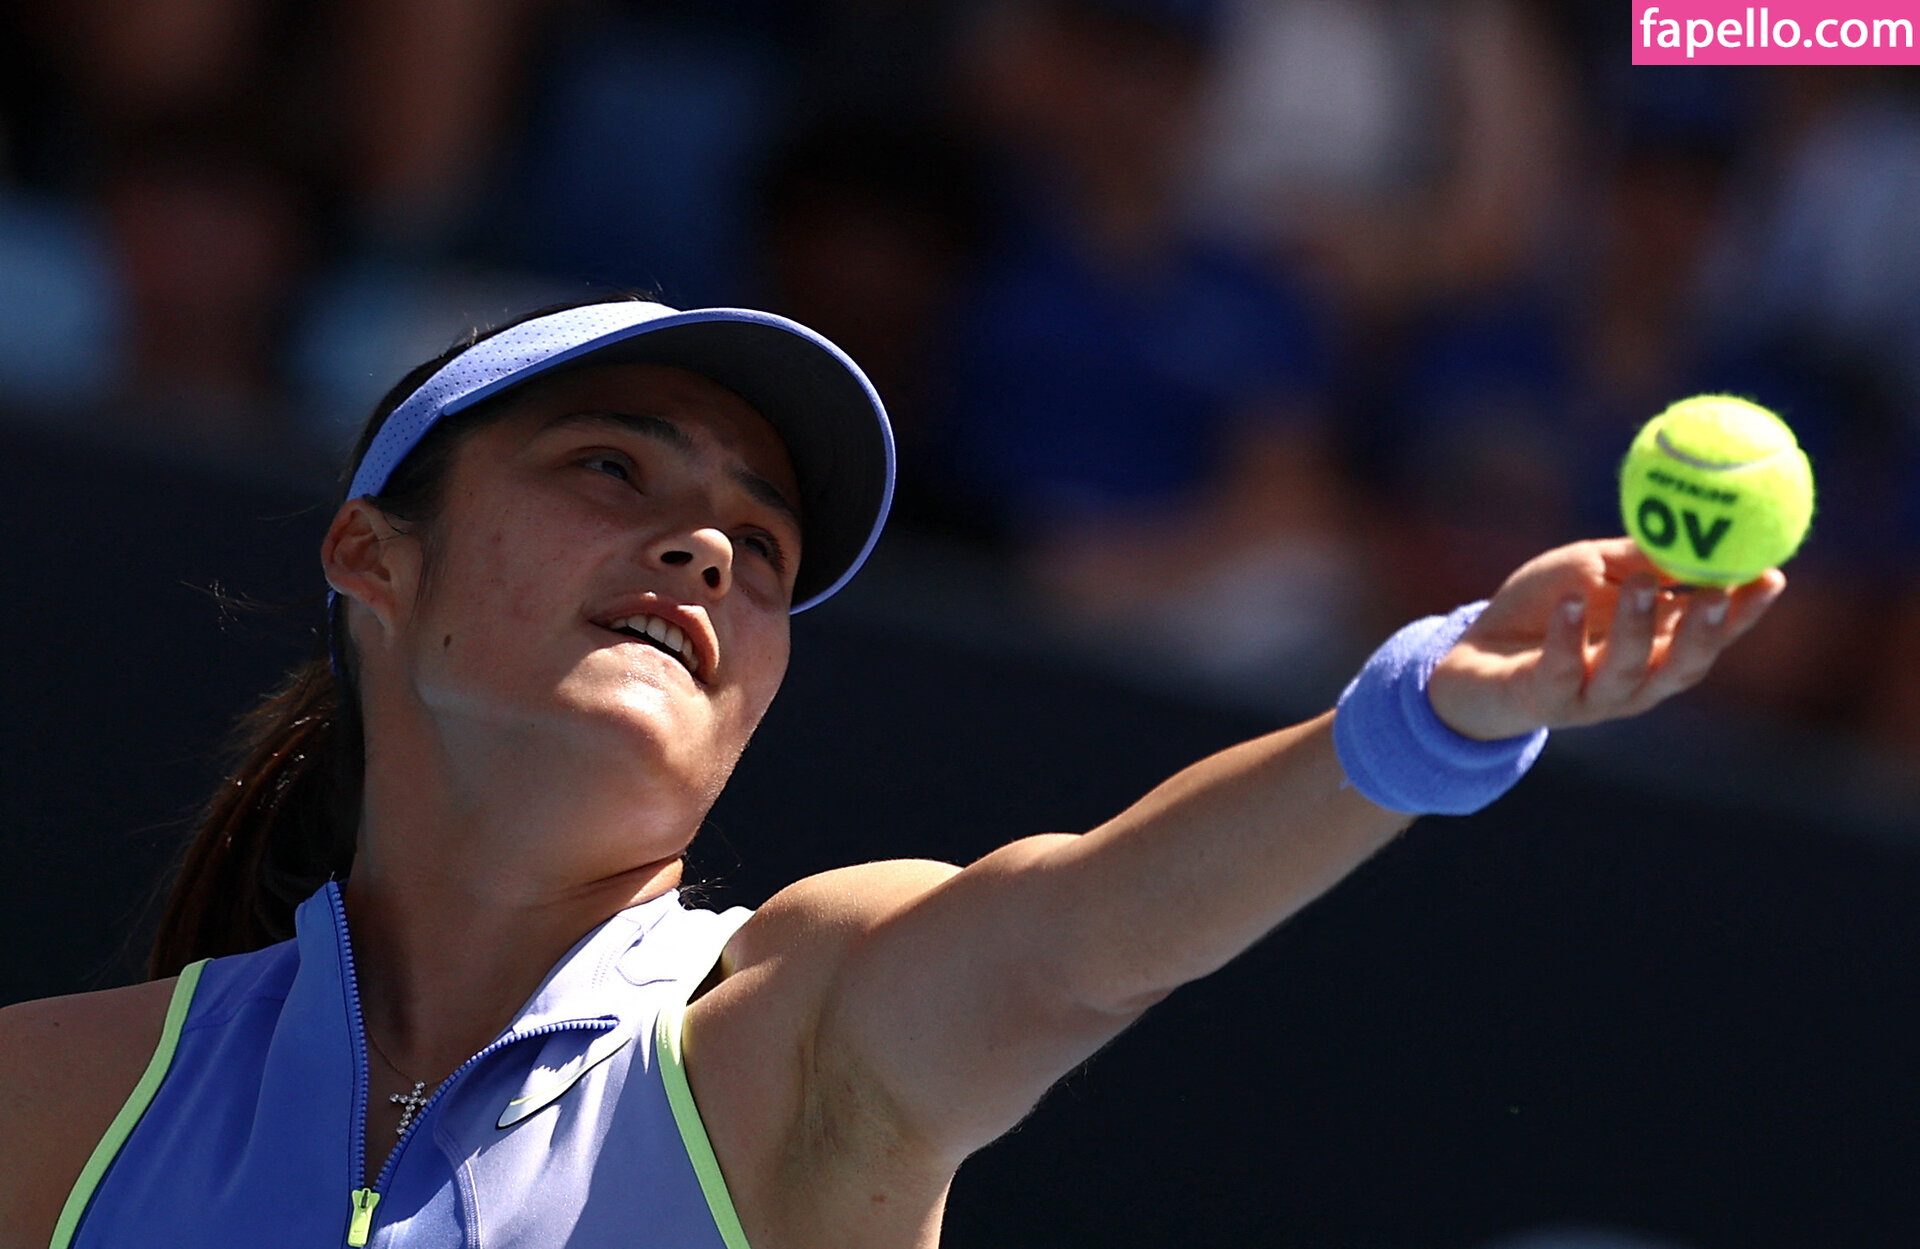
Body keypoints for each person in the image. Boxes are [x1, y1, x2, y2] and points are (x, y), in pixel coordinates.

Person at [0, 299, 1784, 1249]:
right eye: (613, 466)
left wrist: (1426, 716)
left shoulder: (795, 1030)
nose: (705, 546)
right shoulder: (52, 1100)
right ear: (372, 554)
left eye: (762, 545)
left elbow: (1081, 937)